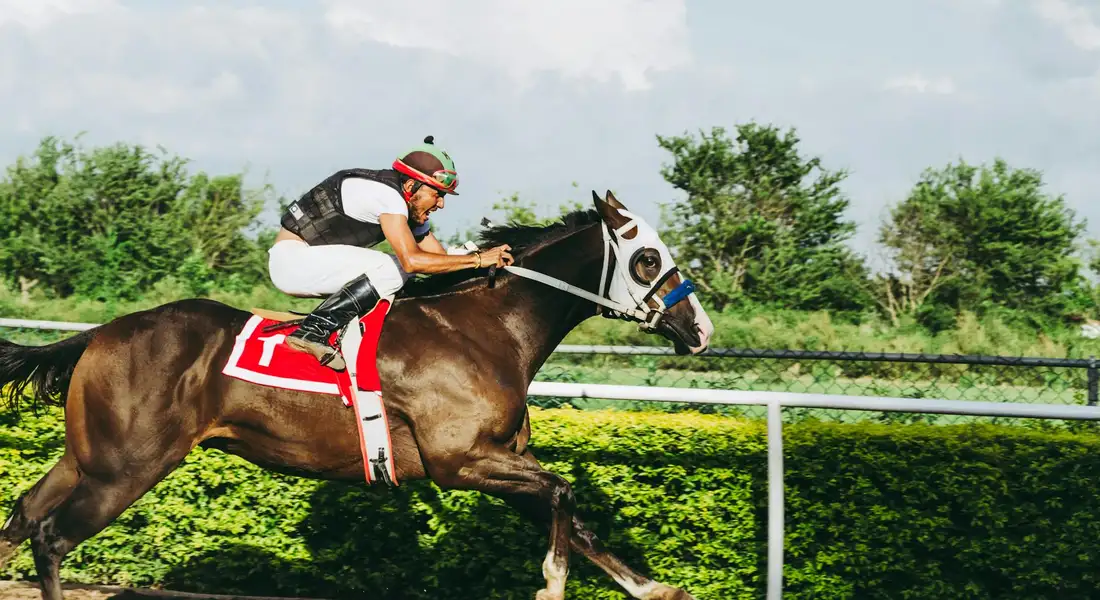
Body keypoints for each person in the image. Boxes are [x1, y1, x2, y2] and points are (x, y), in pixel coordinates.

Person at [268, 136, 514, 370]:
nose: (441, 204)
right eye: (437, 194)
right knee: (396, 268)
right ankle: (313, 330)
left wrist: (481, 259)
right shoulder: (388, 197)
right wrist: (478, 259)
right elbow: (413, 261)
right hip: (292, 263)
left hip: (311, 263)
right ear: (410, 185)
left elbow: (438, 259)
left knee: (403, 273)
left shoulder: (406, 203)